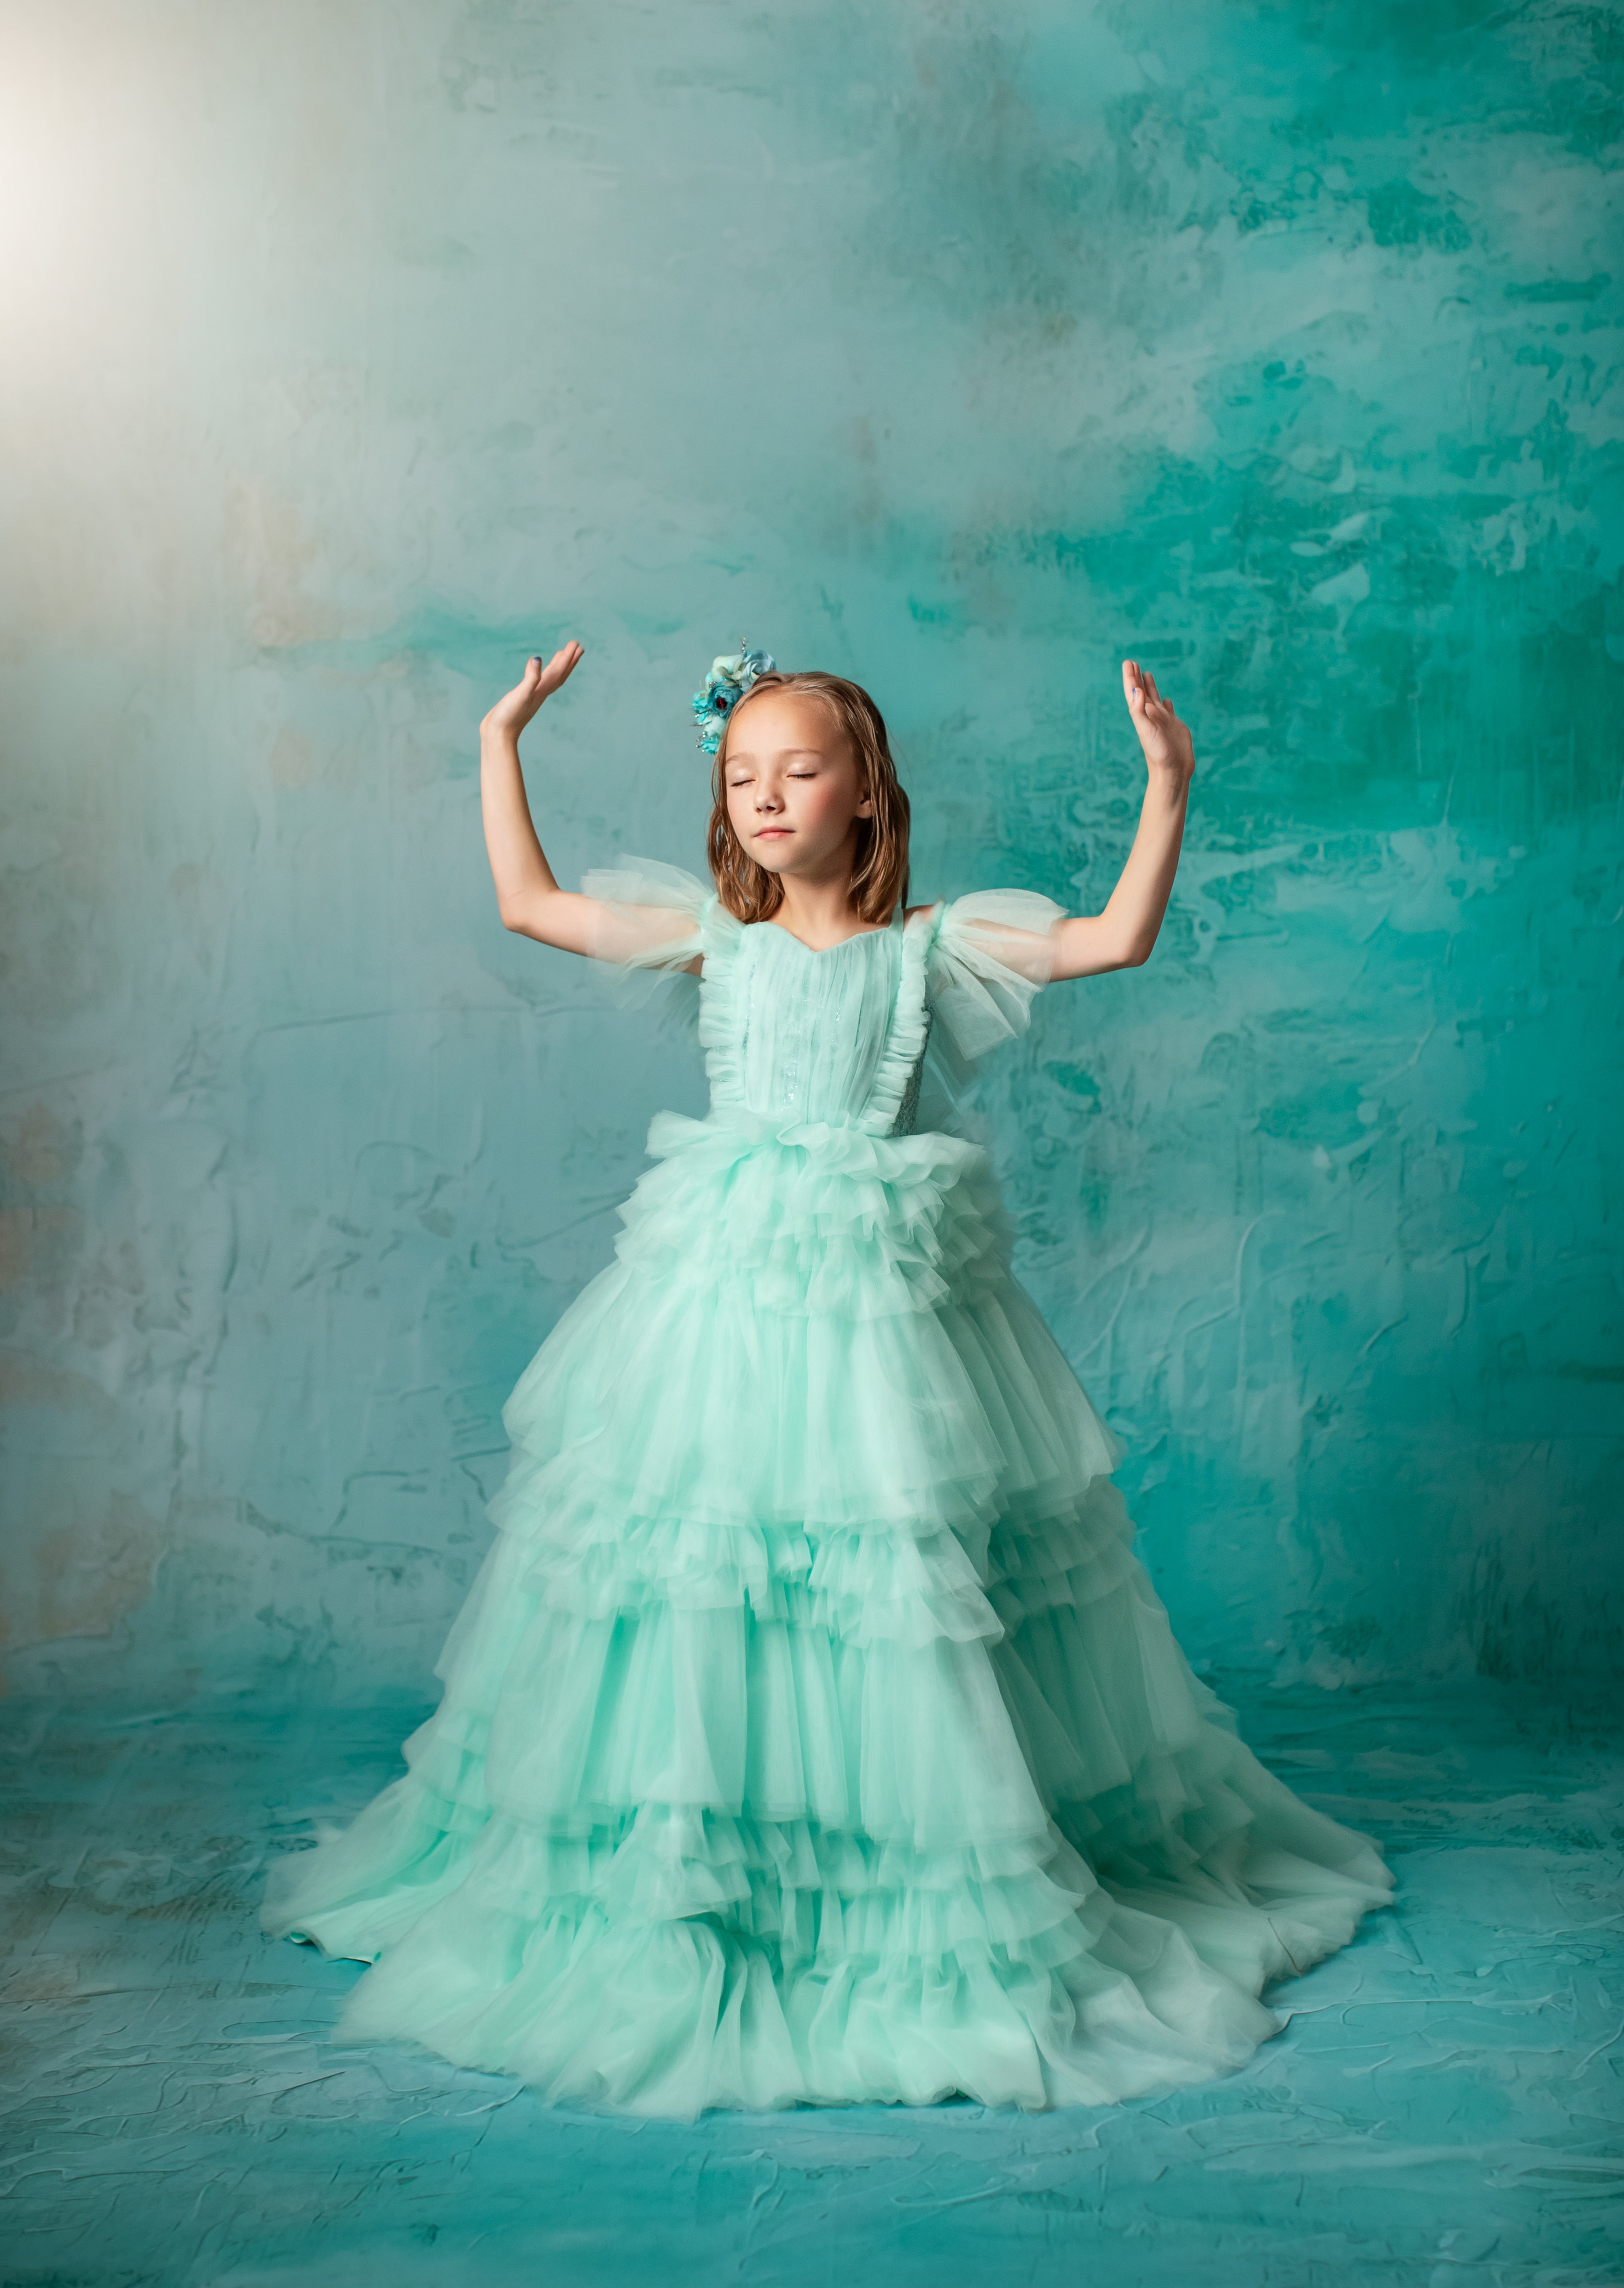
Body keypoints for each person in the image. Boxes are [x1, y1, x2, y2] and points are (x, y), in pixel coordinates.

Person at [260, 638, 1395, 2116]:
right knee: (711, 1558)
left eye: (800, 770)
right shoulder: (708, 943)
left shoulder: (934, 949)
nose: (766, 796)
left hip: (880, 1316)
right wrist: (500, 741)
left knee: (885, 1565)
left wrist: (1167, 785)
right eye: (741, 776)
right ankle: (709, 1849)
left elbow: (1111, 940)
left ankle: (891, 1850)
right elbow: (529, 905)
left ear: (867, 793)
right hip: (725, 1305)